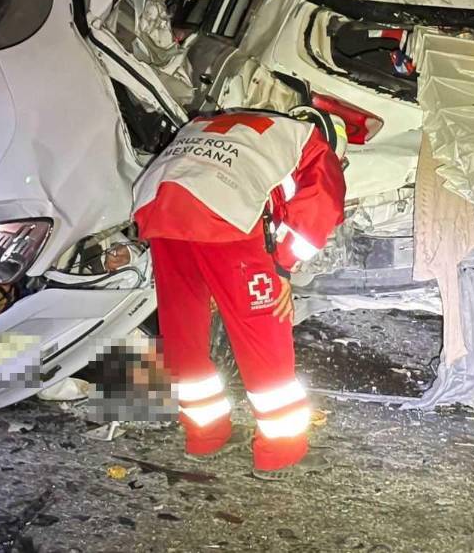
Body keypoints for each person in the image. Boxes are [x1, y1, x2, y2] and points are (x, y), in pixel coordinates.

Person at [132, 106, 347, 478]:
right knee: (264, 334)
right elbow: (319, 207)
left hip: (160, 206)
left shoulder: (234, 123)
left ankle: (205, 436)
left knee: (183, 330)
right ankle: (280, 452)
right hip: (223, 214)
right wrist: (282, 267)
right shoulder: (314, 145)